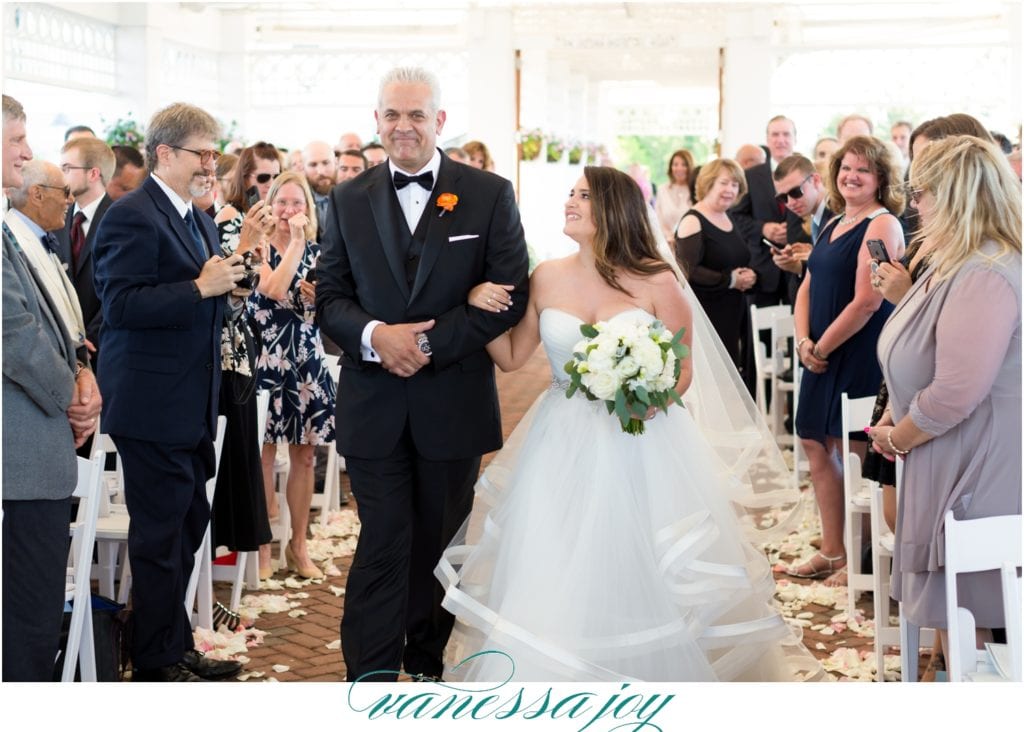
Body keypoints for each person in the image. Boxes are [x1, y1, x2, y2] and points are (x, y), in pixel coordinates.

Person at [437, 167, 820, 682]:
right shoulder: (546, 275)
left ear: (613, 209)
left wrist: (651, 398)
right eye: (569, 194)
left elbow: (684, 368)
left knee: (643, 559)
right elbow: (510, 357)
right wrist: (472, 304)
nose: (569, 202)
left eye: (583, 196)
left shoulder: (658, 279)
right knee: (560, 556)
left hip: (643, 441)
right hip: (561, 443)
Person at [316, 66, 530, 682]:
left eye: (416, 115)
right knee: (383, 538)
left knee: (439, 545)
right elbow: (330, 297)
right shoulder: (348, 198)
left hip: (452, 404)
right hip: (373, 402)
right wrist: (377, 338)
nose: (403, 126)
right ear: (376, 121)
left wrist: (430, 343)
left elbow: (510, 295)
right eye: (391, 115)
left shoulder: (488, 193)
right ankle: (371, 677)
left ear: (439, 121)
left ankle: (429, 663)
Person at [93, 102, 246, 682]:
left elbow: (198, 295)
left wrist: (225, 288)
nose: (212, 164)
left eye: (215, 153)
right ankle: (155, 661)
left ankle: (169, 640)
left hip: (191, 401)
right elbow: (121, 306)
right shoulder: (132, 215)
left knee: (186, 527)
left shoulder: (196, 216)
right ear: (165, 153)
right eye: (202, 153)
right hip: (152, 404)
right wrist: (199, 287)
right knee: (160, 536)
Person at [868, 135, 1021, 658]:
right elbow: (919, 354)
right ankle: (945, 678)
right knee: (954, 610)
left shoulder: (985, 271)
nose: (915, 204)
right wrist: (894, 416)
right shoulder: (954, 260)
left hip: (974, 458)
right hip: (943, 449)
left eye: (923, 191)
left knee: (969, 610)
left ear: (956, 194)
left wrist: (897, 436)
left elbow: (957, 390)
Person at [3, 94, 102, 680]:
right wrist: (70, 392)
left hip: (30, 454)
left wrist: (81, 372)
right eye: (16, 139)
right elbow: (13, 331)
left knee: (32, 608)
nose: (28, 151)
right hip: (19, 454)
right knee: (26, 614)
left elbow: (51, 324)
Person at [787, 135, 905, 584]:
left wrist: (822, 347)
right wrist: (803, 342)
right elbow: (807, 286)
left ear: (880, 179)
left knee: (852, 452)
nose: (851, 176)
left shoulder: (882, 224)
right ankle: (833, 550)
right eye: (846, 167)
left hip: (855, 351)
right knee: (815, 441)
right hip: (817, 350)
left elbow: (866, 303)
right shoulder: (836, 220)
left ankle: (862, 558)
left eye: (863, 170)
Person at [248, 171, 336, 581]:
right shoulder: (258, 248)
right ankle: (263, 548)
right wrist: (295, 245)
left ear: (308, 209)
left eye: (296, 203)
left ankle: (298, 546)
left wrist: (323, 301)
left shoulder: (323, 254)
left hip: (305, 360)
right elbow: (273, 291)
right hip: (266, 359)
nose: (288, 211)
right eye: (281, 202)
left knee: (304, 455)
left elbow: (332, 313)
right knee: (263, 456)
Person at [674, 158, 757, 395]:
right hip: (708, 313)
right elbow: (687, 270)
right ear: (708, 183)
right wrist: (730, 280)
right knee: (713, 388)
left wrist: (750, 275)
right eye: (724, 183)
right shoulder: (693, 220)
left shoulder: (728, 217)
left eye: (735, 184)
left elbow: (735, 259)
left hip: (732, 310)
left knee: (731, 379)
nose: (730, 189)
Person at [654, 148, 694, 242]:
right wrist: (668, 237)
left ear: (690, 167)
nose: (679, 168)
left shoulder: (694, 190)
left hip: (688, 242)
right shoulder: (662, 190)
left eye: (684, 165)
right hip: (666, 244)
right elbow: (658, 218)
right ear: (671, 167)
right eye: (675, 164)